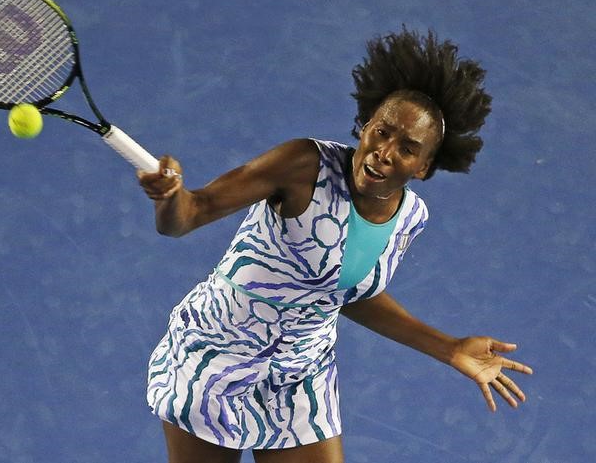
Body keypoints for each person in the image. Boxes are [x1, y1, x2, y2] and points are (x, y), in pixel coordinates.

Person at [138, 28, 533, 463]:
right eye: (381, 132)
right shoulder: (303, 165)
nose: (384, 151)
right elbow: (190, 215)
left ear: (424, 167)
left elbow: (344, 294)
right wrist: (171, 198)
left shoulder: (410, 217)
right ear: (365, 127)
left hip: (301, 373)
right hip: (217, 353)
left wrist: (449, 347)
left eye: (407, 148)